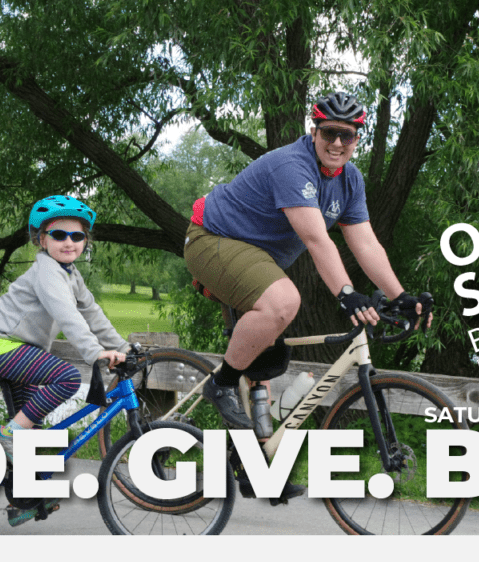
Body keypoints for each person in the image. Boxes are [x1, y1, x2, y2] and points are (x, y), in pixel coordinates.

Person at [184, 91, 431, 499]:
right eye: (329, 133)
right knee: (284, 302)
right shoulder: (291, 165)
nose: (337, 144)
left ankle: (250, 468)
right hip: (213, 240)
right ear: (313, 131)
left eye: (347, 136)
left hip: (255, 256)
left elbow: (366, 245)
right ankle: (221, 383)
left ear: (357, 140)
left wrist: (400, 295)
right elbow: (317, 241)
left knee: (268, 359)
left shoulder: (350, 181)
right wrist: (347, 294)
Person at [0, 195, 128, 524]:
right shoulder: (46, 272)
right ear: (42, 240)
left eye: (77, 236)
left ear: (86, 241)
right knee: (67, 378)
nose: (69, 242)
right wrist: (95, 352)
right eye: (59, 235)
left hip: (19, 352)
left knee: (32, 431)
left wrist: (123, 347)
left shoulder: (70, 275)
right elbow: (67, 315)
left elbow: (93, 314)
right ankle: (5, 435)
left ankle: (22, 503)